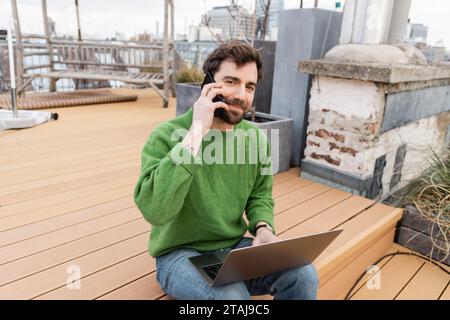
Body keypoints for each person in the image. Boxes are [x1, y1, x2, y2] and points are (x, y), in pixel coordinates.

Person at [134, 41, 318, 300]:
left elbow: (260, 196)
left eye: (250, 86)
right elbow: (155, 209)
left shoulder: (255, 139)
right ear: (208, 83)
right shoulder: (166, 136)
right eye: (231, 82)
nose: (242, 95)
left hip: (234, 247)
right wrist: (197, 131)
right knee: (231, 296)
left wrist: (264, 229)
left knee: (303, 273)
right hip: (179, 254)